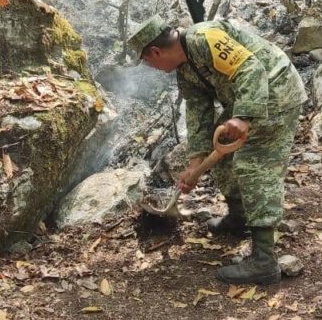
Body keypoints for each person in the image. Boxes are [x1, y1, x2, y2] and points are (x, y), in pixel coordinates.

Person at [126, 15, 307, 285]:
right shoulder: (184, 68)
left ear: (155, 51)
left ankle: (265, 260)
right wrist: (196, 161)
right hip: (247, 101)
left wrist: (244, 116)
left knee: (254, 166)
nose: (151, 67)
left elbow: (250, 69)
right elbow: (198, 110)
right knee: (222, 158)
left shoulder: (206, 38)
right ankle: (239, 217)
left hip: (276, 91)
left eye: (148, 62)